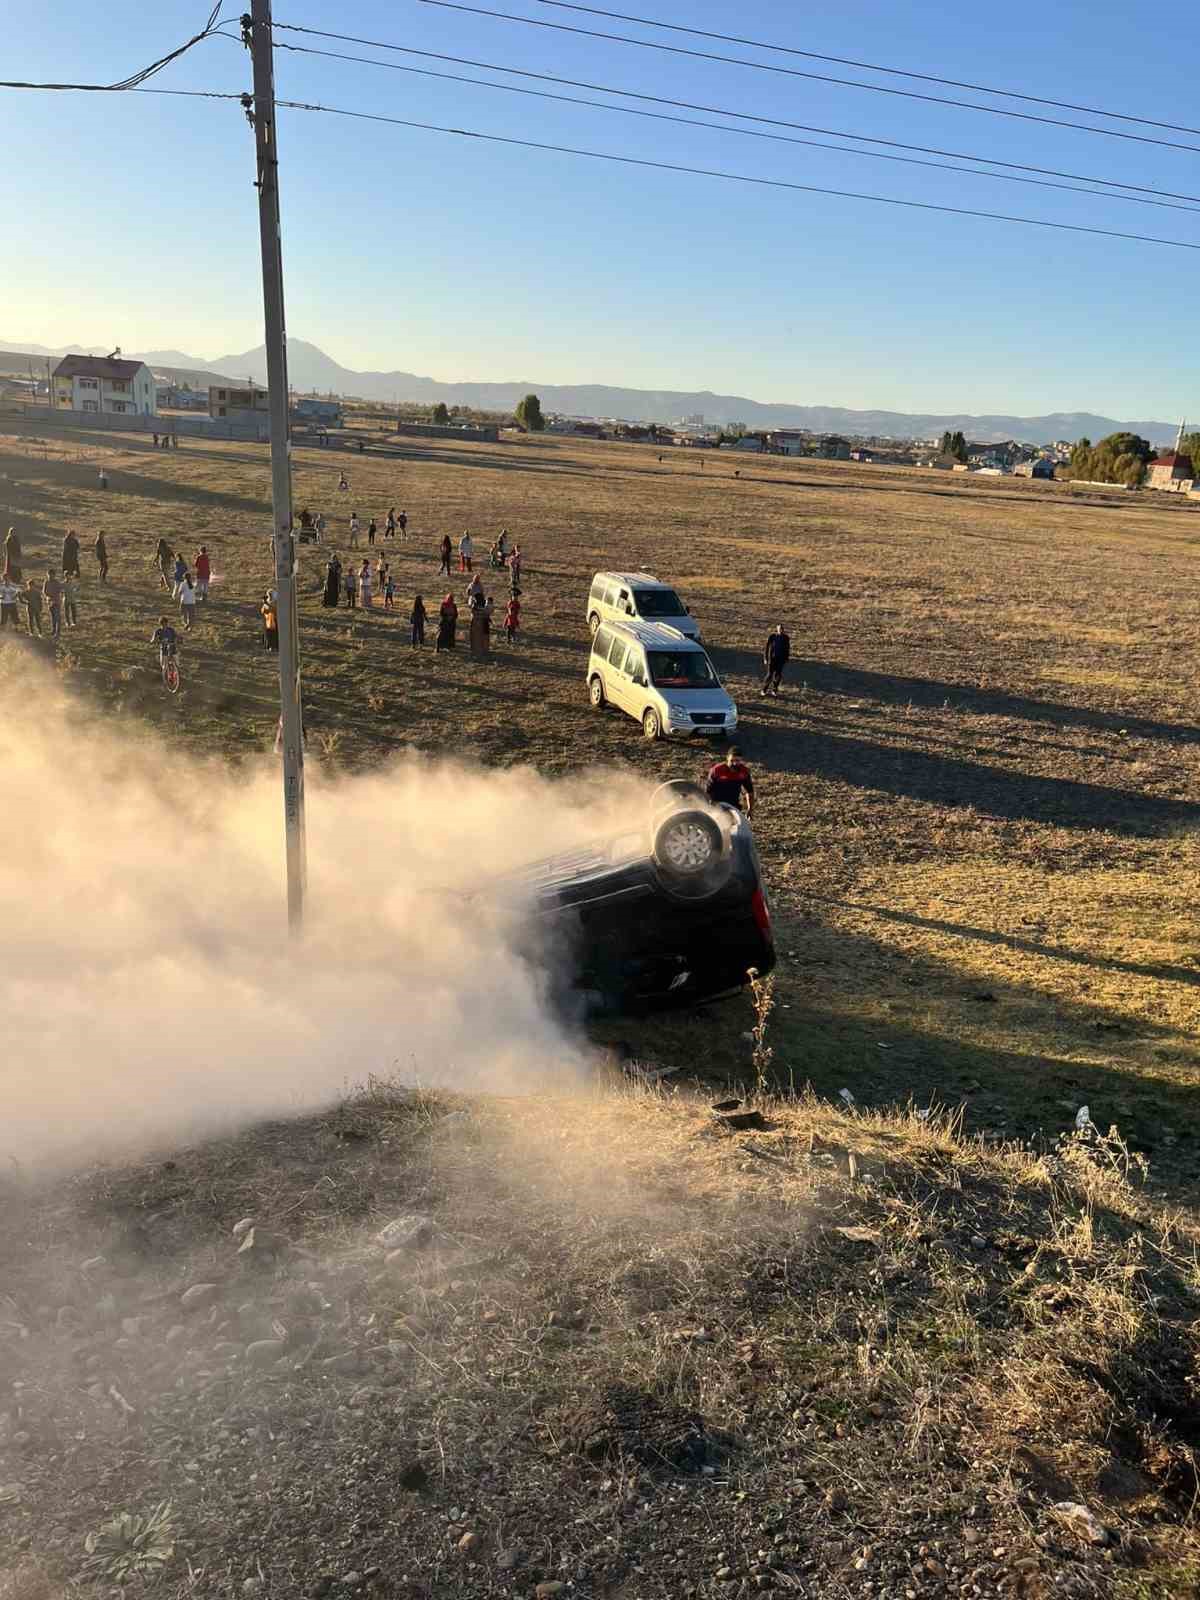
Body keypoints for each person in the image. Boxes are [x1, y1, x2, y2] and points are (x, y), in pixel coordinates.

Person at [705, 747, 755, 817]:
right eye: (732, 761)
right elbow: (708, 791)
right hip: (717, 805)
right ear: (727, 758)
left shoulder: (744, 772)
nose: (734, 763)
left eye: (737, 761)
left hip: (733, 806)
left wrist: (750, 809)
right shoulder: (717, 770)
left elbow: (749, 791)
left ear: (741, 760)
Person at [762, 623, 791, 697]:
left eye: (782, 629)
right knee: (769, 675)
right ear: (777, 629)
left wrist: (786, 658)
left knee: (778, 676)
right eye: (779, 629)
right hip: (772, 659)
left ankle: (774, 690)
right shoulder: (772, 637)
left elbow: (787, 649)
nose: (780, 630)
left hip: (780, 660)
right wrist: (765, 658)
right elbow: (766, 648)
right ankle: (764, 689)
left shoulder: (786, 638)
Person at [43, 569, 64, 640]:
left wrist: (53, 596)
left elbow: (59, 591)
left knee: (57, 617)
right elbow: (44, 591)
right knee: (53, 617)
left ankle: (57, 633)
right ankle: (54, 630)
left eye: (51, 575)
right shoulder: (46, 582)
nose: (50, 576)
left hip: (56, 602)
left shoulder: (57, 582)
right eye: (49, 575)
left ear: (54, 575)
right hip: (49, 602)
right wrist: (48, 597)